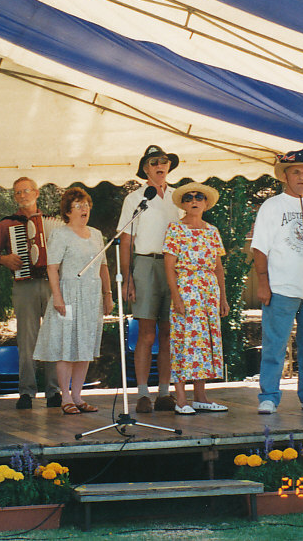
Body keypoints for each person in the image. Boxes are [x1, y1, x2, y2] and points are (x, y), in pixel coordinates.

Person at [251, 149, 303, 415]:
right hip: (281, 286)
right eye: (296, 172)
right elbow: (259, 247)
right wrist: (263, 282)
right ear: (284, 176)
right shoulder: (272, 205)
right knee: (275, 344)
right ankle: (269, 396)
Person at [0, 177, 61, 409]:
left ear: (36, 193)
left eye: (26, 191)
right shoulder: (7, 224)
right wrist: (3, 259)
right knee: (27, 339)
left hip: (50, 284)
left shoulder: (52, 222)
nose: (22, 196)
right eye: (17, 193)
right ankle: (26, 391)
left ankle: (54, 391)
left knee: (53, 336)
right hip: (24, 285)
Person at [33, 188, 114, 414]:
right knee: (67, 345)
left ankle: (78, 396)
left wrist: (108, 295)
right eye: (78, 205)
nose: (84, 209)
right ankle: (65, 397)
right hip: (68, 294)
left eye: (86, 204)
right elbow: (52, 268)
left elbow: (104, 267)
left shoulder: (97, 234)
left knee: (85, 345)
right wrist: (57, 297)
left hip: (91, 296)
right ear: (67, 212)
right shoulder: (60, 234)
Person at [117, 145, 182, 413]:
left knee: (168, 331)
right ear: (145, 168)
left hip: (174, 266)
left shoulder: (179, 197)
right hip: (144, 264)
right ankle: (143, 393)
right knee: (145, 332)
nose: (160, 165)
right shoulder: (135, 198)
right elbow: (125, 240)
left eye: (164, 161)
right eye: (154, 162)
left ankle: (165, 392)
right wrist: (128, 278)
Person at [163, 183, 229, 415]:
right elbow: (169, 267)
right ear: (183, 204)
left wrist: (223, 297)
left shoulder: (212, 231)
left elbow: (219, 268)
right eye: (189, 197)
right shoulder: (175, 229)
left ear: (206, 203)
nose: (194, 200)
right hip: (187, 289)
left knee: (204, 342)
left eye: (199, 197)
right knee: (184, 340)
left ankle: (201, 396)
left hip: (208, 292)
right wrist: (176, 296)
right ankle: (181, 399)